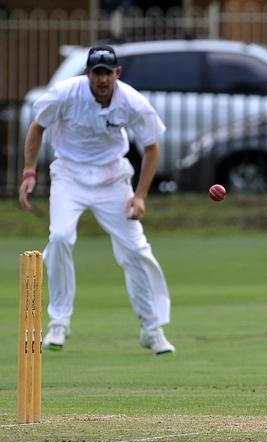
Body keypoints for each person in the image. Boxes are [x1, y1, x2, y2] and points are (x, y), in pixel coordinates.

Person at [18, 45, 175, 355]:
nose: (102, 79)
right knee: (60, 237)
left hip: (113, 179)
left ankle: (151, 328)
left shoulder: (131, 101)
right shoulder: (64, 94)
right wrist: (28, 172)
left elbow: (152, 147)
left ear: (117, 73)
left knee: (136, 250)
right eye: (97, 72)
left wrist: (140, 196)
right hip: (69, 176)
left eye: (108, 72)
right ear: (88, 73)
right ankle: (59, 323)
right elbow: (37, 127)